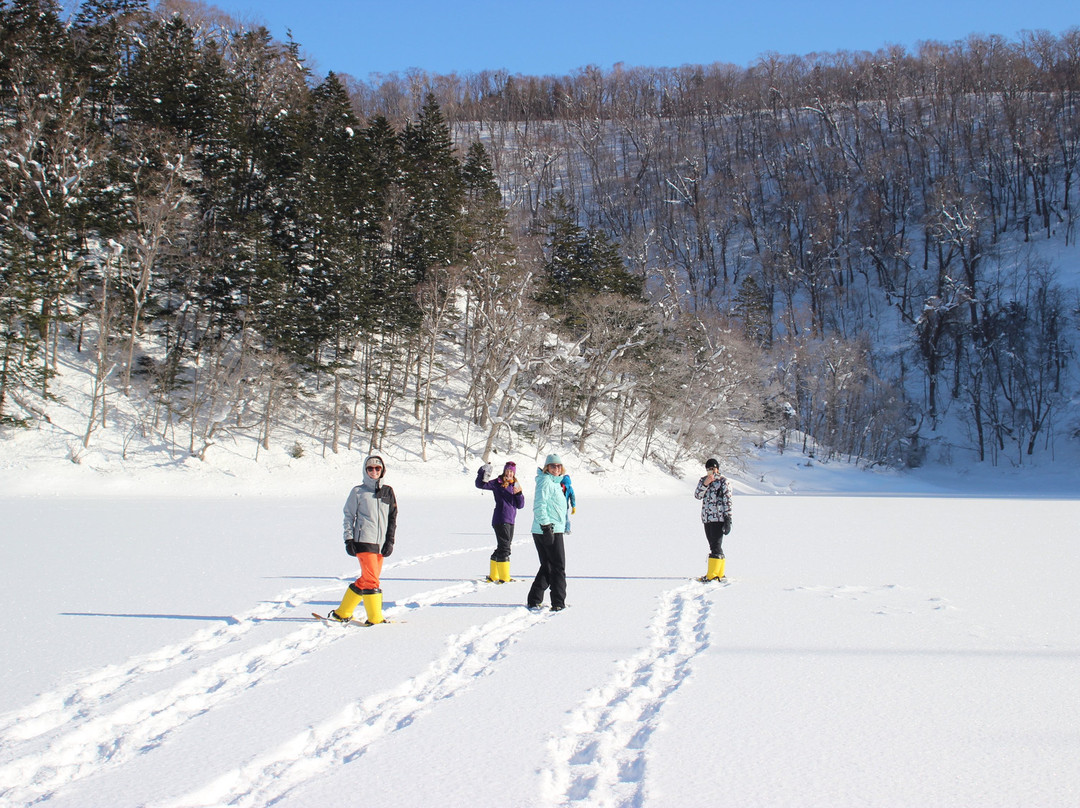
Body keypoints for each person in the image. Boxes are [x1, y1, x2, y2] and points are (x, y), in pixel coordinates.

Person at [328, 454, 398, 624]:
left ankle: (342, 612)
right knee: (372, 580)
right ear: (365, 470)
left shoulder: (388, 491)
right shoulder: (358, 491)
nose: (374, 471)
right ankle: (375, 618)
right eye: (370, 468)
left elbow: (392, 518)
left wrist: (390, 541)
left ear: (382, 471)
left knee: (367, 578)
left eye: (377, 468)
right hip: (363, 540)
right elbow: (348, 516)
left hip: (380, 544)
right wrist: (348, 539)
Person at [527, 454, 570, 611]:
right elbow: (539, 505)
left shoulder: (554, 483)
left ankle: (534, 599)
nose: (556, 468)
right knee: (558, 567)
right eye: (552, 466)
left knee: (548, 566)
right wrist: (546, 527)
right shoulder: (546, 481)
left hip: (551, 528)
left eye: (559, 466)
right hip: (547, 529)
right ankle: (558, 602)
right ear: (547, 468)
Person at [475, 460, 525, 582]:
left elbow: (521, 505)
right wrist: (482, 471)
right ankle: (504, 577)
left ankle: (494, 575)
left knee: (503, 546)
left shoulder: (516, 484)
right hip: (501, 518)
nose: (509, 474)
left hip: (511, 520)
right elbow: (480, 484)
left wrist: (519, 494)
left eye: (511, 472)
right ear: (504, 471)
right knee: (505, 548)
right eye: (507, 471)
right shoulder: (498, 483)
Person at [694, 457, 732, 582]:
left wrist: (728, 519)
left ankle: (713, 575)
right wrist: (705, 484)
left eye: (713, 468)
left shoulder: (723, 482)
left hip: (719, 518)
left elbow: (728, 501)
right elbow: (697, 495)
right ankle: (718, 573)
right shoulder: (703, 481)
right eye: (709, 469)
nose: (712, 471)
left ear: (718, 469)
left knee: (716, 545)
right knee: (713, 545)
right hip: (707, 518)